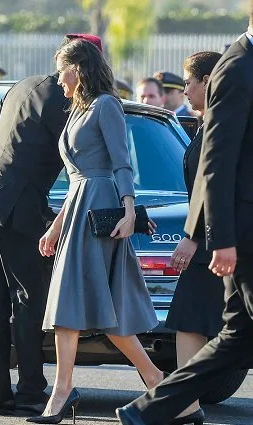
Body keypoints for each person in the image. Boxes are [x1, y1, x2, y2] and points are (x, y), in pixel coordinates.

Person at [116, 7, 253, 425]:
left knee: (235, 338)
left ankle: (147, 409)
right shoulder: (238, 66)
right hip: (244, 232)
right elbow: (216, 160)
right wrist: (219, 238)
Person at [0, 34, 102, 418]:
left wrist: (9, 169)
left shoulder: (22, 85)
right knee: (28, 298)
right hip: (18, 204)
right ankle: (29, 391)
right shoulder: (69, 99)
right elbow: (79, 154)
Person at [27, 39, 162, 424]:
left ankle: (157, 383)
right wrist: (55, 227)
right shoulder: (77, 110)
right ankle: (156, 384)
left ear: (79, 68)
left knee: (99, 310)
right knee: (72, 308)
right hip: (78, 209)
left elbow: (122, 163)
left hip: (102, 208)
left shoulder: (105, 105)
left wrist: (130, 210)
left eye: (62, 70)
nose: (58, 79)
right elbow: (75, 179)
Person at [161, 51, 223, 425]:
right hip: (212, 242)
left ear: (207, 82)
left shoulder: (221, 123)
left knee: (198, 321)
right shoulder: (205, 122)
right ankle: (186, 406)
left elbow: (213, 188)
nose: (184, 89)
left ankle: (184, 405)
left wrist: (192, 237)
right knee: (190, 320)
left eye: (189, 81)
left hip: (217, 243)